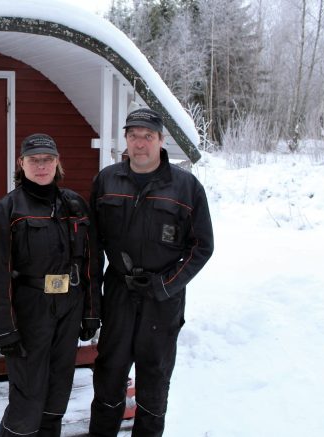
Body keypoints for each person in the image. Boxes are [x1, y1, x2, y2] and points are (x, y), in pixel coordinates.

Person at [88, 108, 214, 436]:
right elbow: (91, 245)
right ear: (125, 140)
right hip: (118, 293)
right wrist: (92, 303)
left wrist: (165, 285)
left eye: (148, 136)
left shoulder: (186, 187)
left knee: (154, 380)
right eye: (133, 136)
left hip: (163, 298)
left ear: (161, 141)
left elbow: (201, 246)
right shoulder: (107, 180)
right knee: (108, 376)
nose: (140, 143)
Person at [0, 133, 101, 437]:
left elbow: (90, 262)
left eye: (47, 159)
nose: (41, 166)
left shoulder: (75, 205)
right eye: (33, 160)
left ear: (57, 163)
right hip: (30, 309)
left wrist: (91, 311)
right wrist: (4, 328)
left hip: (70, 305)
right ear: (21, 163)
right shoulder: (7, 210)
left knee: (59, 387)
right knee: (28, 393)